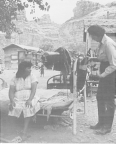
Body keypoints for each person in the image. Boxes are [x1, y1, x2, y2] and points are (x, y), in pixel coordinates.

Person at [87, 25, 116, 135]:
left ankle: (107, 127)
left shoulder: (108, 44)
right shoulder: (102, 43)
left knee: (108, 100)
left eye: (92, 35)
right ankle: (101, 122)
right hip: (106, 71)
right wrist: (92, 58)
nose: (92, 38)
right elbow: (103, 58)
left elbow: (113, 65)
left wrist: (102, 75)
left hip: (111, 73)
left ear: (96, 35)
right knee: (100, 97)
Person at [8, 61, 40, 141]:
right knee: (13, 107)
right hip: (17, 98)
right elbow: (11, 91)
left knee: (27, 108)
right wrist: (12, 100)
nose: (30, 70)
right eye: (28, 68)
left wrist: (30, 100)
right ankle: (14, 130)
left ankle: (24, 132)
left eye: (30, 68)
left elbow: (33, 90)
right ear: (23, 69)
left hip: (30, 97)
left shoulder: (32, 76)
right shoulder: (14, 78)